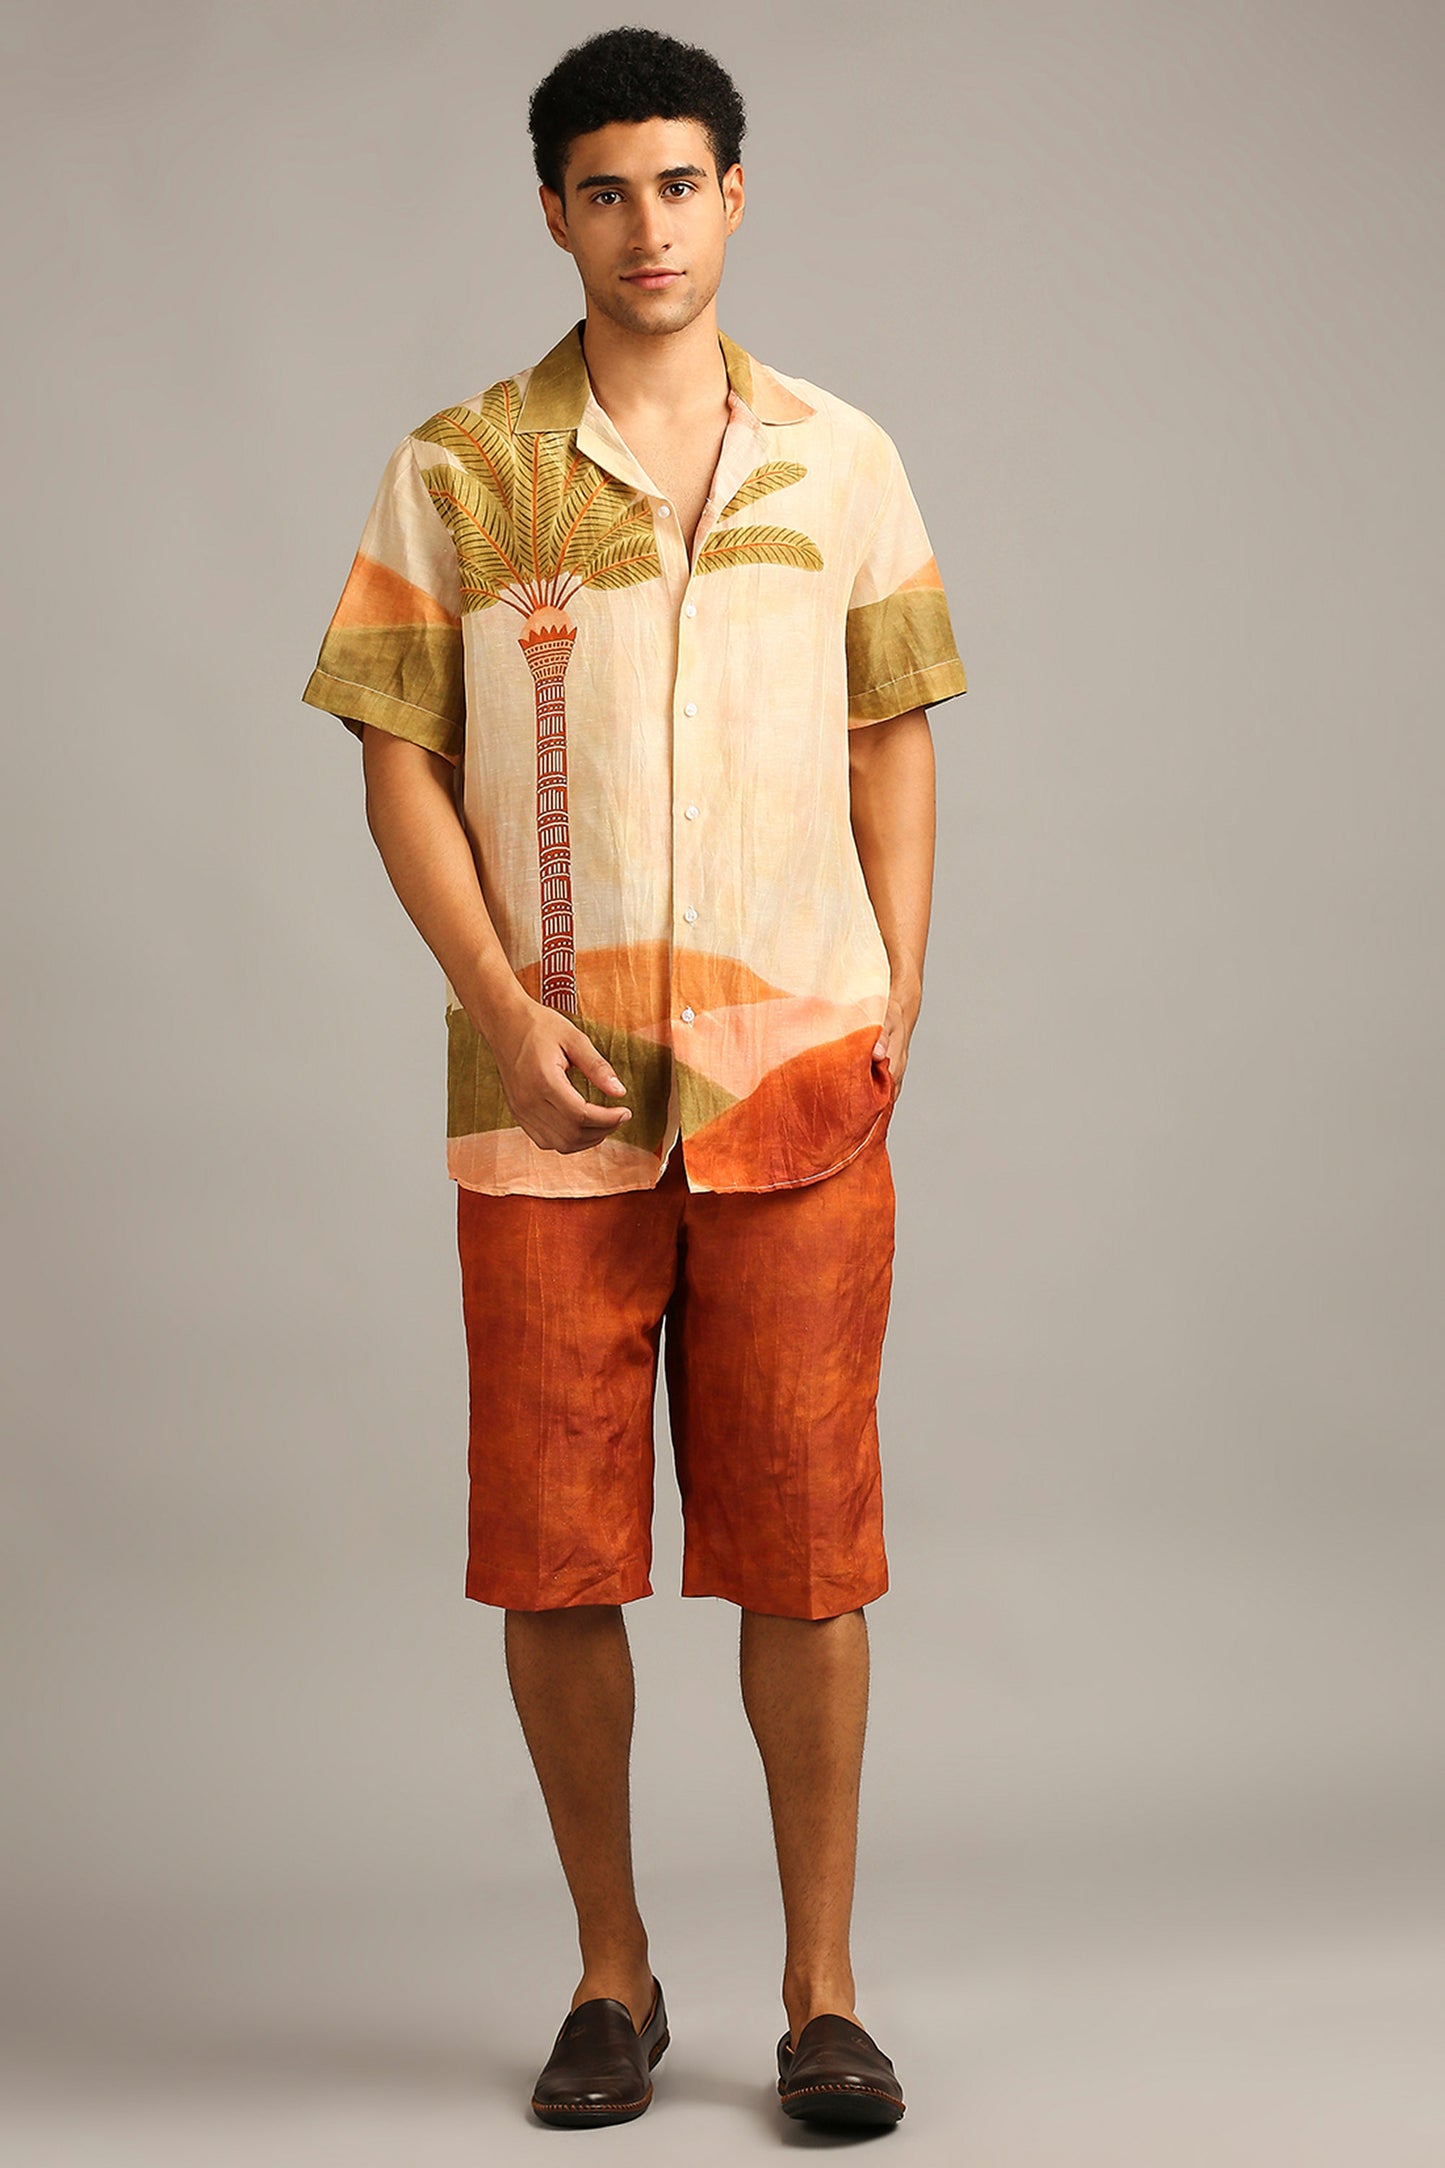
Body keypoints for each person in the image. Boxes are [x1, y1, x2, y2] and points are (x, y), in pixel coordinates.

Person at [300, 23, 966, 2134]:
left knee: (808, 1553)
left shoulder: (843, 459)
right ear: (553, 212)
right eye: (605, 190)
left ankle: (824, 1995)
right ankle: (610, 1974)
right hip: (548, 1108)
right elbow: (396, 759)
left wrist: (897, 1000)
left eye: (679, 184)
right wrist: (506, 1010)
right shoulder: (456, 469)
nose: (646, 226)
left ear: (733, 197)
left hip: (800, 1095)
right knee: (556, 1555)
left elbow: (890, 736)